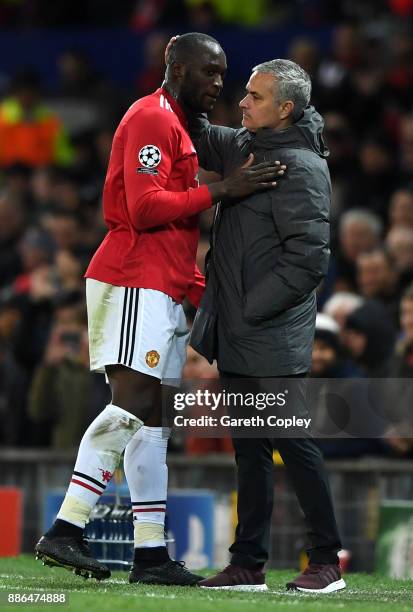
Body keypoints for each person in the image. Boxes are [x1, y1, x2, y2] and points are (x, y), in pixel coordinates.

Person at [34, 32, 282, 585]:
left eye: (223, 74)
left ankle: (149, 554)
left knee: (152, 426)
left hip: (161, 281)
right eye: (208, 72)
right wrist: (226, 188)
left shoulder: (178, 126)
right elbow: (145, 210)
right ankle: (67, 528)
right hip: (131, 278)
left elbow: (174, 231)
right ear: (176, 68)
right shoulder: (152, 117)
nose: (218, 84)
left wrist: (204, 297)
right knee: (133, 403)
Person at [185, 54, 345, 593]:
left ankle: (326, 560)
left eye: (255, 96)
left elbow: (308, 260)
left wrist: (250, 309)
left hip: (268, 331)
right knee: (250, 451)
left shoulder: (302, 167)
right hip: (237, 329)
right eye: (244, 92)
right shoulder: (246, 146)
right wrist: (187, 84)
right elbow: (200, 135)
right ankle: (248, 564)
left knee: (292, 445)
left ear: (286, 108)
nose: (243, 101)